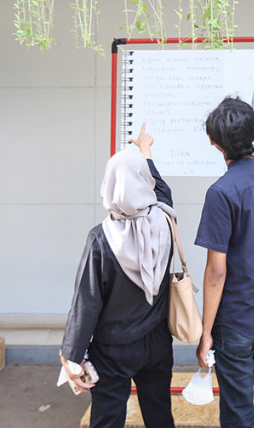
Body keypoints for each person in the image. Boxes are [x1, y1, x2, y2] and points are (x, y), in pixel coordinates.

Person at [60, 124, 176, 428]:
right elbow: (160, 188)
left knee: (108, 420)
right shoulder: (165, 221)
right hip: (158, 341)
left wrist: (71, 355)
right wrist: (145, 150)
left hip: (112, 347)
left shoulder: (101, 238)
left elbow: (86, 302)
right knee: (160, 416)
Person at [195, 97, 254, 428]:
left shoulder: (221, 192)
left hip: (235, 319)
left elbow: (216, 272)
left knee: (238, 409)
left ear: (214, 141)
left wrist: (205, 333)